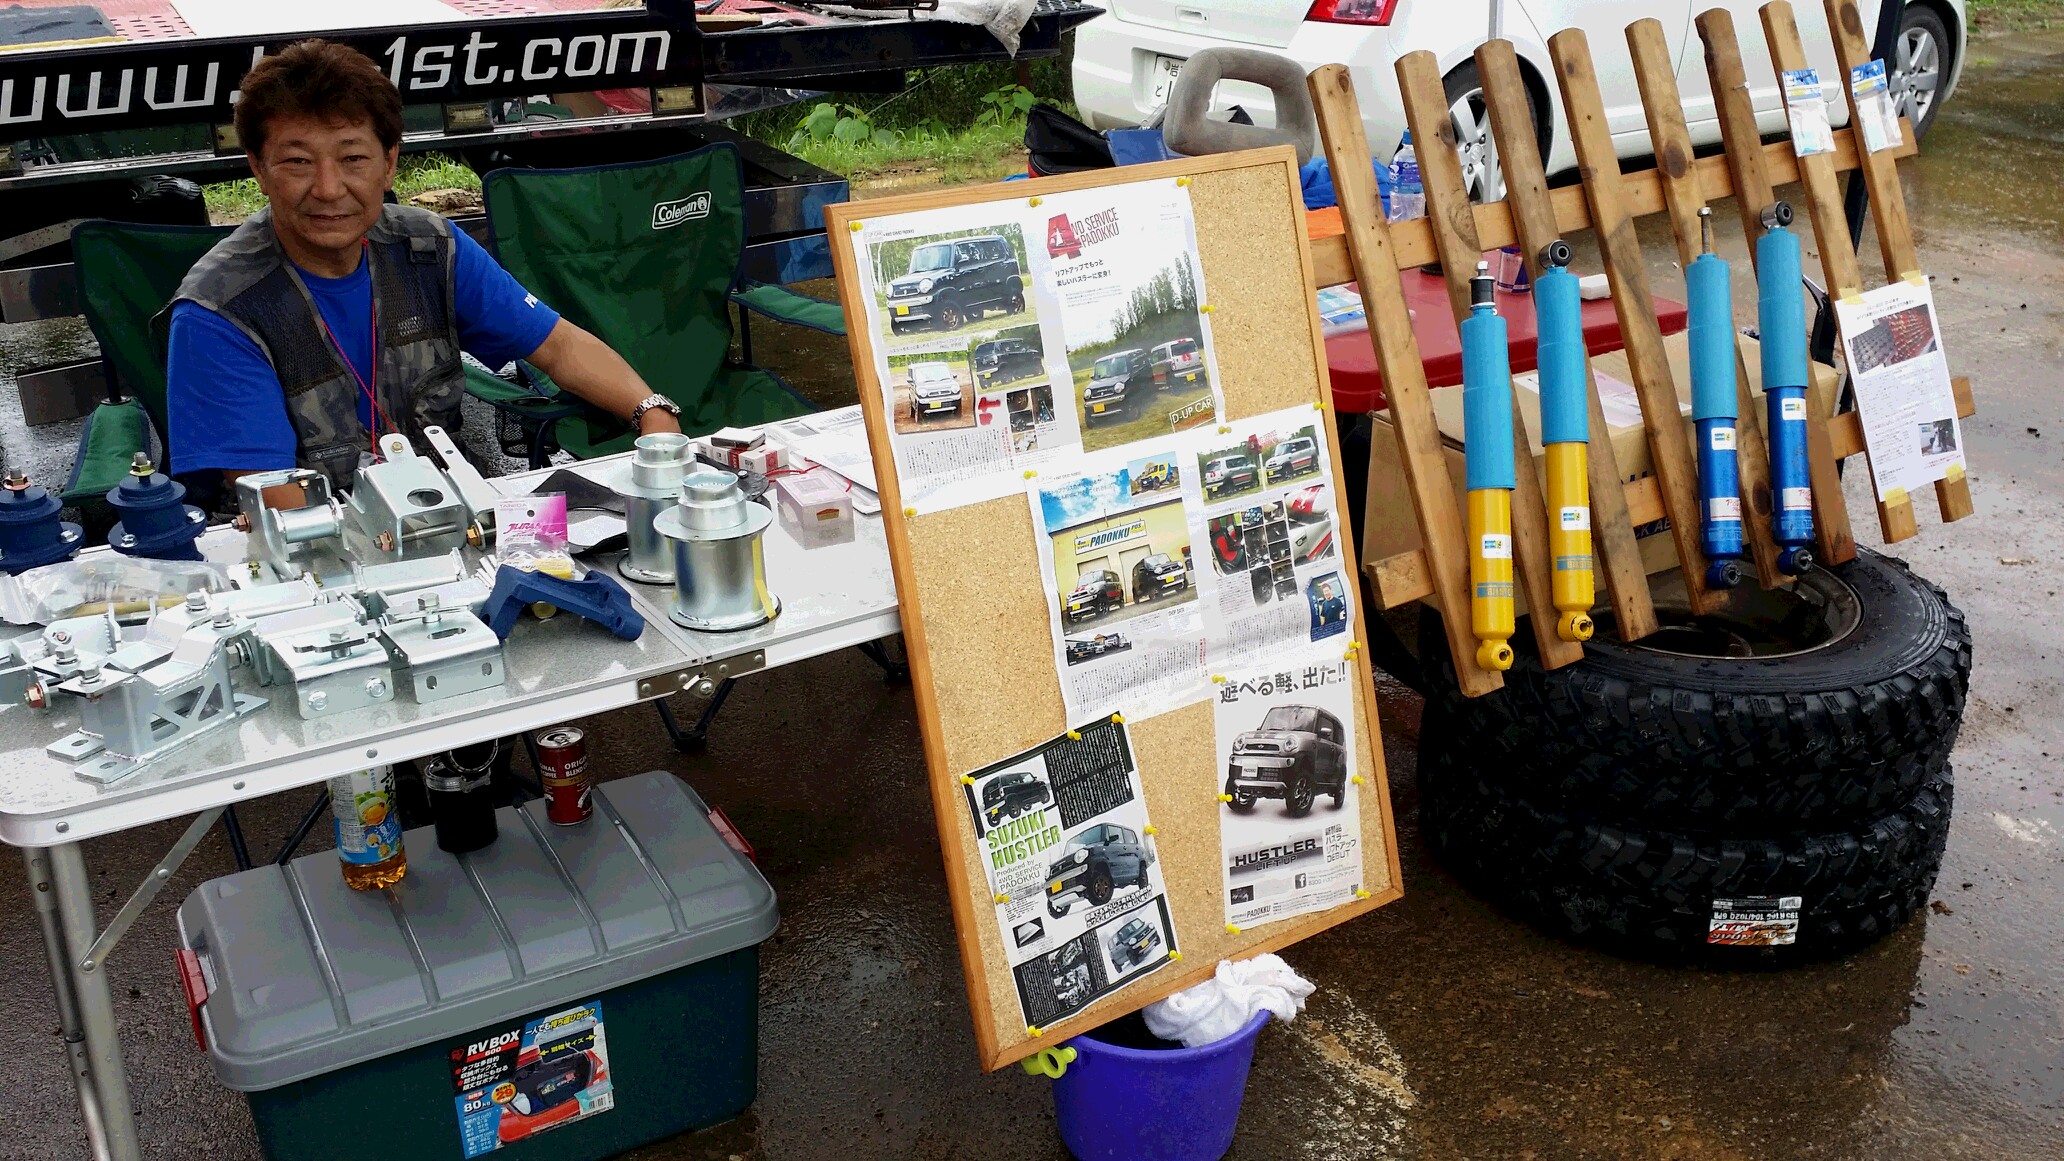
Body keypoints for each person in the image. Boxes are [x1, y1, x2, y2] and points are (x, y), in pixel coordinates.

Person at [164, 39, 681, 494]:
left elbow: (560, 346)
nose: (328, 188)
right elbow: (273, 497)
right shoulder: (220, 309)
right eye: (297, 161)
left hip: (455, 508)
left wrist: (653, 416)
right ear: (257, 168)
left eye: (353, 158)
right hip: (319, 540)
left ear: (389, 163)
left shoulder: (429, 248)